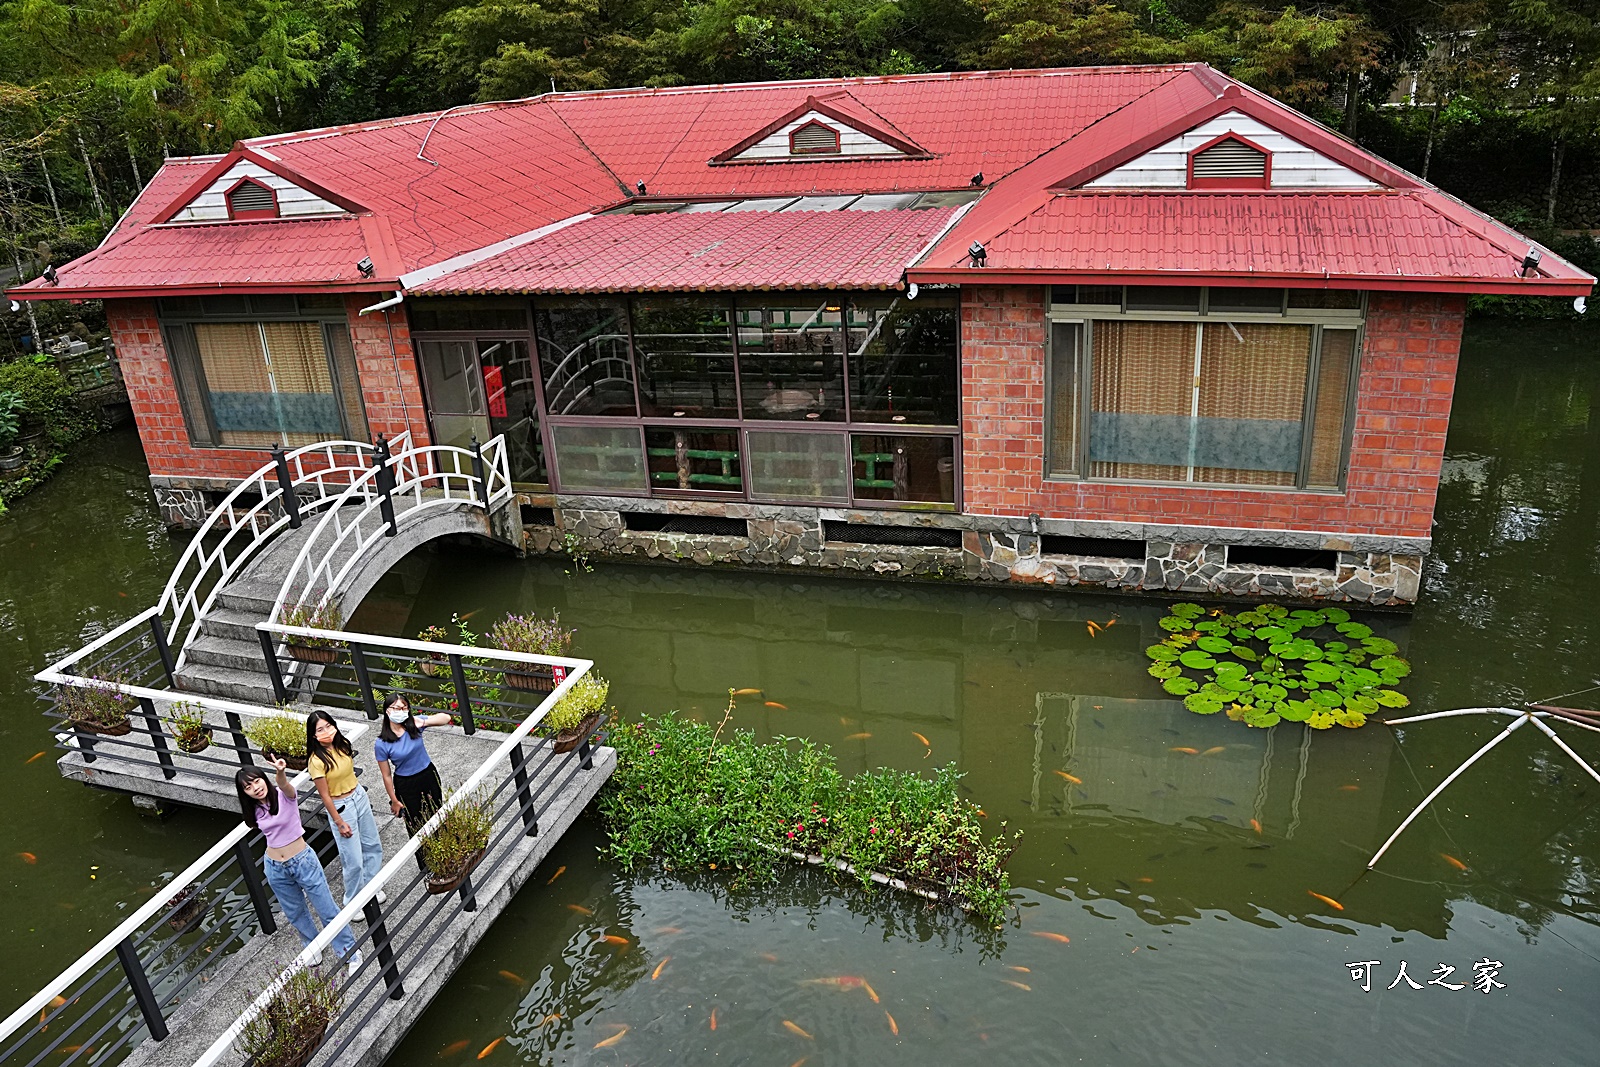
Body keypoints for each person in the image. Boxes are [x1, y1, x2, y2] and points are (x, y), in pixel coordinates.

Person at [235, 760, 362, 975]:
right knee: (295, 912)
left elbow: (285, 786)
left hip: (303, 860)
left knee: (326, 908)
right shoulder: (255, 810)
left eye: (256, 781)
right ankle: (312, 947)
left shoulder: (284, 795)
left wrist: (281, 773)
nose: (255, 788)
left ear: (263, 779)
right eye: (248, 787)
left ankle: (349, 951)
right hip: (275, 866)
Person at [305, 711, 386, 908]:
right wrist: (339, 821)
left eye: (328, 726)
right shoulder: (316, 761)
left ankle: (371, 885)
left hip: (358, 795)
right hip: (342, 806)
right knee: (353, 858)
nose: (326, 732)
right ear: (313, 735)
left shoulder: (342, 745)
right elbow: (325, 795)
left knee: (372, 844)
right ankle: (353, 901)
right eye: (320, 730)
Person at [373, 694, 452, 867]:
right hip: (406, 783)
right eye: (396, 708)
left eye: (403, 708)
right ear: (387, 711)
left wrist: (421, 721)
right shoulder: (381, 743)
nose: (400, 711)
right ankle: (427, 864)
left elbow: (446, 718)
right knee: (415, 822)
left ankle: (447, 853)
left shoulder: (415, 726)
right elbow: (386, 775)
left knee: (437, 812)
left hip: (427, 774)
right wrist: (394, 800)